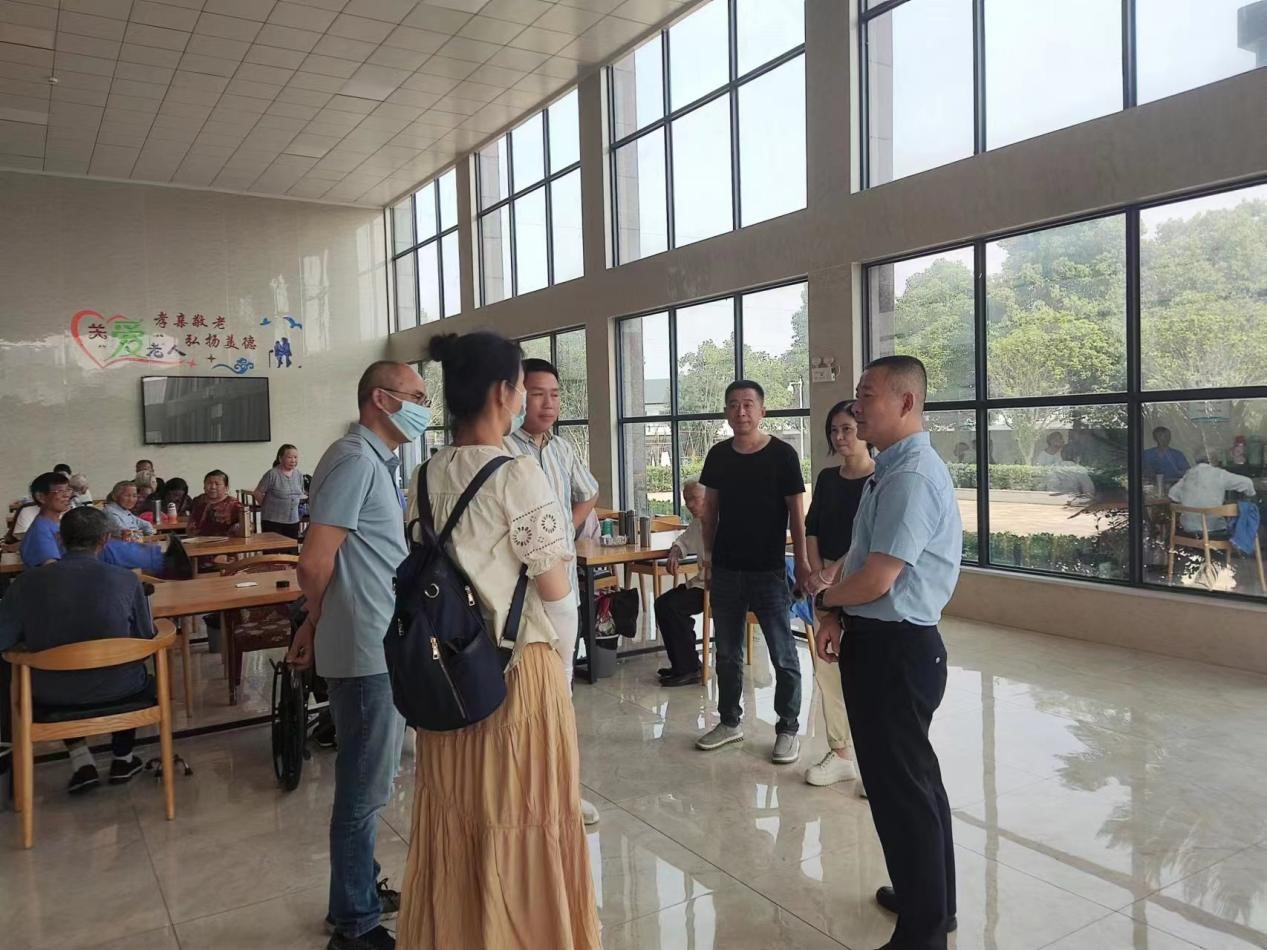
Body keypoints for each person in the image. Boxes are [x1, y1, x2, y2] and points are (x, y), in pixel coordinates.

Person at [394, 331, 600, 950]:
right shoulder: (518, 475)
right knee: (523, 815)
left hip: (448, 677)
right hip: (516, 675)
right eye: (519, 387)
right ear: (502, 392)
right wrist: (561, 671)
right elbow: (557, 594)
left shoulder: (424, 474)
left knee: (458, 813)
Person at [818, 355, 962, 950]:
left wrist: (824, 599)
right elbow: (863, 558)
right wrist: (836, 613)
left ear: (906, 402)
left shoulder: (910, 478)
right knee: (915, 783)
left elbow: (877, 580)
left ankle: (922, 932)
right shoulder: (891, 469)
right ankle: (932, 902)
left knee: (902, 793)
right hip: (887, 643)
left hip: (896, 651)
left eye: (867, 395)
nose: (856, 407)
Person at [286, 360, 425, 950]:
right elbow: (314, 562)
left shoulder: (374, 461)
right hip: (365, 646)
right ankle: (354, 923)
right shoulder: (353, 459)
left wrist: (314, 622)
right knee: (363, 792)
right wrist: (320, 618)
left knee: (370, 781)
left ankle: (359, 888)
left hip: (374, 638)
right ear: (382, 400)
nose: (425, 408)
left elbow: (351, 558)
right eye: (416, 396)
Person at [497, 355, 602, 825]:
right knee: (518, 692)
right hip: (517, 590)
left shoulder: (562, 448)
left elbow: (589, 492)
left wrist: (565, 528)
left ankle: (562, 791)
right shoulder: (502, 448)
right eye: (537, 394)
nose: (548, 403)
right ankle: (519, 793)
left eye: (555, 395)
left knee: (561, 688)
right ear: (516, 396)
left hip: (561, 586)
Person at [0, 507, 156, 793]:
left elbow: (4, 639)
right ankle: (123, 758)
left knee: (52, 670)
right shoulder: (126, 580)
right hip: (122, 689)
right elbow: (146, 638)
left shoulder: (26, 583)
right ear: (105, 539)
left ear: (60, 538)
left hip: (52, 694)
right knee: (133, 669)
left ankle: (81, 761)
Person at [695, 380, 809, 765]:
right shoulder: (718, 455)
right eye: (733, 404)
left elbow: (796, 516)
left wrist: (803, 562)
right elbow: (710, 511)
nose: (740, 411)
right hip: (727, 569)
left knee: (783, 653)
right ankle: (729, 721)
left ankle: (788, 728)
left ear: (762, 411)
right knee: (727, 652)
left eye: (748, 404)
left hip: (769, 571)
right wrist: (708, 558)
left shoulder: (783, 455)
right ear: (726, 412)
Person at [801, 400, 873, 788]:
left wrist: (832, 573)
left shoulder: (880, 479)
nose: (840, 436)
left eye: (847, 428)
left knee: (866, 671)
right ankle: (840, 752)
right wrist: (817, 573)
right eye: (834, 430)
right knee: (828, 669)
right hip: (824, 580)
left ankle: (875, 761)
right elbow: (812, 527)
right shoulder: (828, 478)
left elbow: (867, 540)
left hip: (862, 577)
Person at [20, 472, 170, 574]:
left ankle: (162, 559)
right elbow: (53, 574)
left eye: (68, 491)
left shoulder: (60, 523)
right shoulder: (40, 531)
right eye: (60, 492)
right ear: (41, 497)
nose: (67, 496)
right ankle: (163, 560)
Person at [653, 480, 710, 686]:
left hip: (720, 588)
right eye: (687, 500)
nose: (690, 505)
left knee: (672, 606)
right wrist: (675, 553)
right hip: (702, 584)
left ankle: (689, 668)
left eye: (694, 499)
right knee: (663, 603)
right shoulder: (698, 523)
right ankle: (684, 664)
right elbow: (683, 542)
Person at [1168, 457, 1256, 535]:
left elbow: (1172, 494)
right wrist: (1250, 495)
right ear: (1213, 460)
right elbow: (1247, 482)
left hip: (1188, 530)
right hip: (1213, 530)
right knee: (1246, 515)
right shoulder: (1219, 474)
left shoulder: (1189, 474)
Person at [254, 443, 306, 539]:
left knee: (291, 547)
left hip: (293, 521)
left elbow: (301, 493)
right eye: (289, 457)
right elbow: (257, 492)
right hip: (272, 521)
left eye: (295, 457)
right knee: (274, 547)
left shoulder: (298, 474)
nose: (293, 460)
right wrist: (266, 506)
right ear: (280, 458)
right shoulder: (272, 474)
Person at [188, 470, 244, 537]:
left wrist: (238, 528)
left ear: (226, 488)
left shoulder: (234, 505)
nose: (213, 487)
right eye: (209, 483)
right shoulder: (198, 500)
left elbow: (248, 526)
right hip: (197, 540)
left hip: (226, 542)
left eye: (217, 484)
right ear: (204, 486)